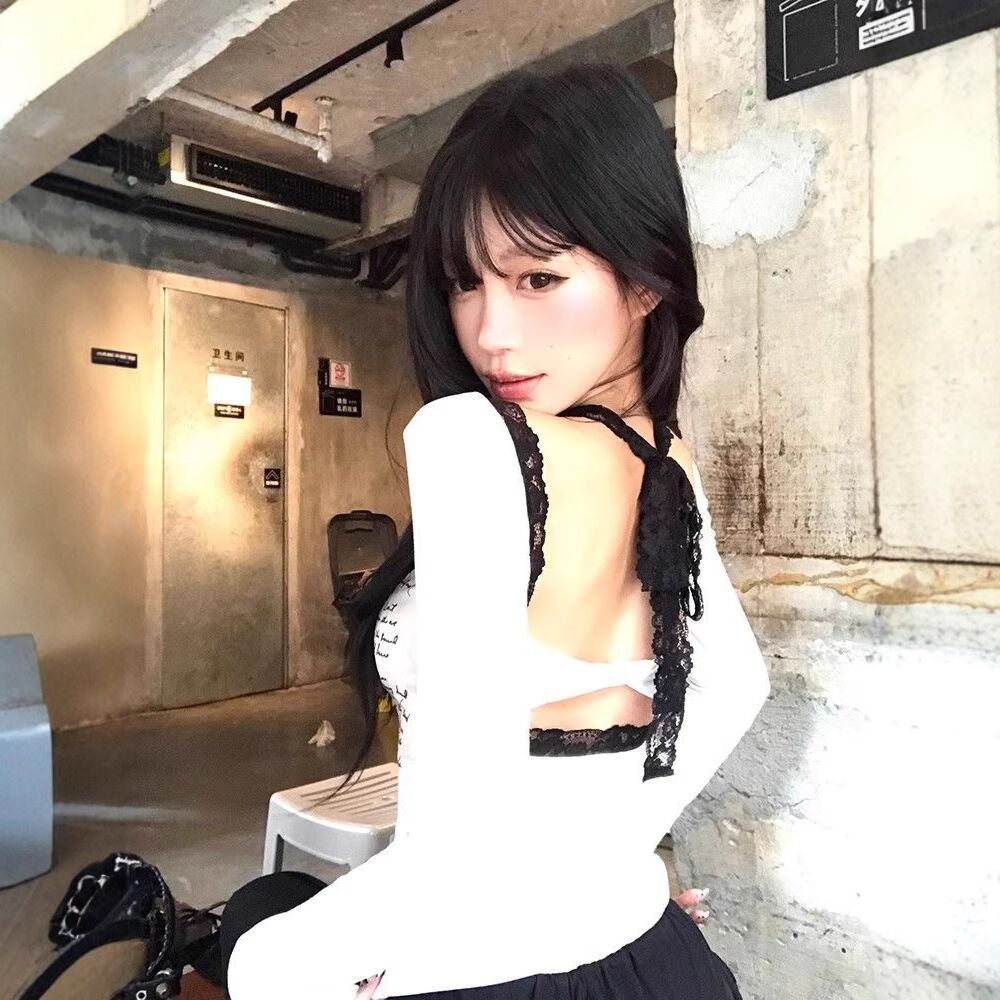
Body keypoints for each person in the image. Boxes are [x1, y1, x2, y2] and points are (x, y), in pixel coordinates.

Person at [223, 62, 770, 1000]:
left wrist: (267, 970)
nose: (491, 333)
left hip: (480, 965)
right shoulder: (667, 462)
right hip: (644, 958)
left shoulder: (473, 441)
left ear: (646, 279)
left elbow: (454, 840)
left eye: (539, 277)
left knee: (254, 923)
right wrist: (611, 863)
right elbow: (737, 686)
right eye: (464, 284)